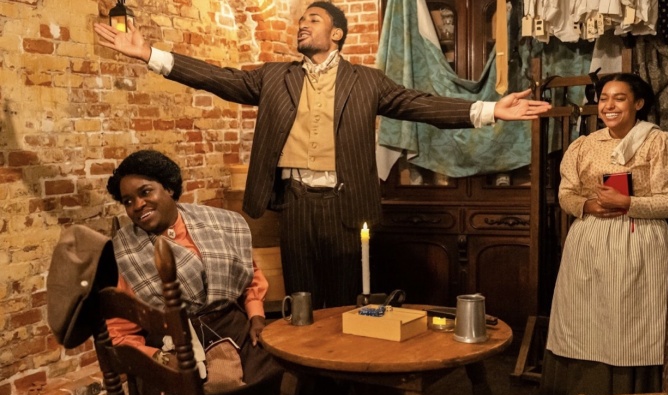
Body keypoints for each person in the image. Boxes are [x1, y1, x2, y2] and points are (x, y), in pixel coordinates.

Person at [93, 1, 551, 311]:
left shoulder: (368, 81)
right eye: (301, 20)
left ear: (338, 33)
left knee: (345, 301)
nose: (303, 24)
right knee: (301, 302)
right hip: (293, 203)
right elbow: (217, 78)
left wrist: (491, 108)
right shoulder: (274, 78)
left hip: (345, 206)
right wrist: (149, 53)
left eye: (313, 19)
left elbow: (420, 105)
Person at [540, 73, 668, 395]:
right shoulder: (584, 145)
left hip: (641, 243)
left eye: (619, 98)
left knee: (638, 325)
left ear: (638, 103)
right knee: (588, 322)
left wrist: (627, 203)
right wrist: (587, 205)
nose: (608, 105)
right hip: (589, 244)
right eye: (604, 98)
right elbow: (566, 193)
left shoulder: (659, 144)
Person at [106, 149, 282, 395]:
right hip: (173, 345)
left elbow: (248, 273)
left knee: (285, 378)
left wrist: (256, 315)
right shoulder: (126, 253)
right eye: (128, 201)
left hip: (234, 328)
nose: (137, 206)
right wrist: (159, 358)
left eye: (145, 192)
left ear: (169, 188)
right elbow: (121, 335)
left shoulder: (217, 223)